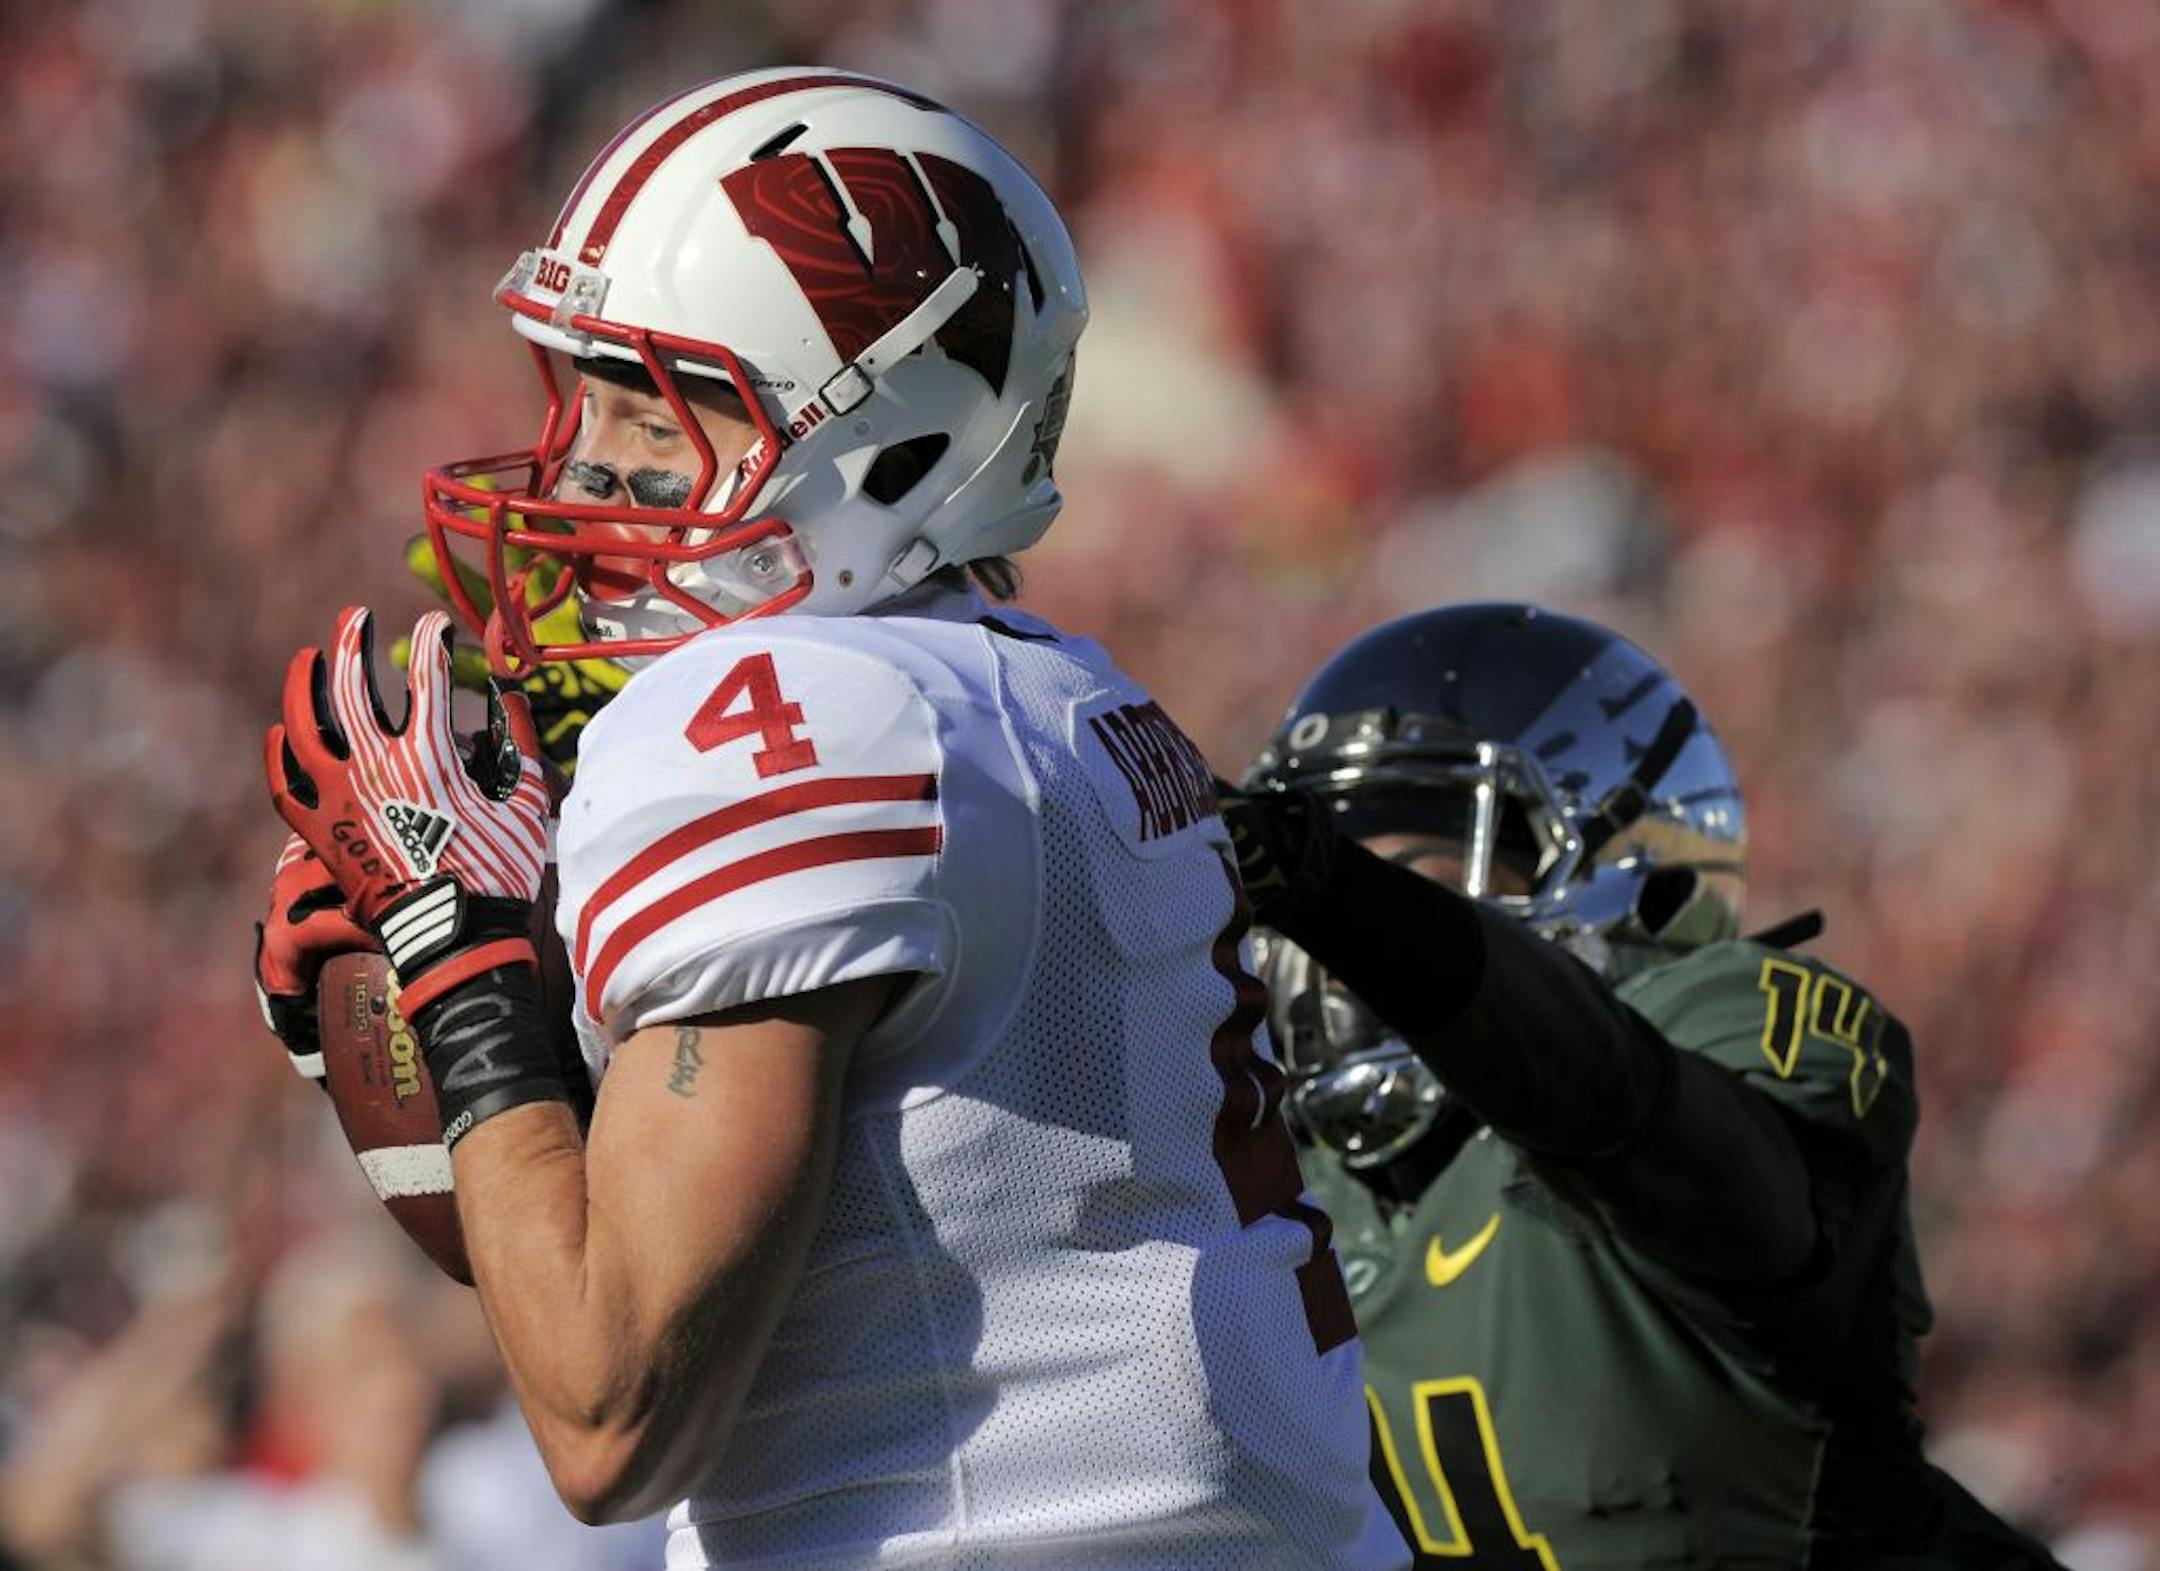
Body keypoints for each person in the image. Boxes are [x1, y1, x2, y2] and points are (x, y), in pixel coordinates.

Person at [257, 67, 1404, 1570]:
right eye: (583, 393)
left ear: (894, 438)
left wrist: (455, 957)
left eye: (660, 409)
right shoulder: (1059, 696)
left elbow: (614, 1409)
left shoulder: (786, 717)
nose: (589, 462)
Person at [1221, 602, 2066, 1569]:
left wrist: (1342, 891)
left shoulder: (1723, 1020)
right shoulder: (1290, 1181)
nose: (1320, 957)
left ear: (1623, 877)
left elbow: (1653, 1134)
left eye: (1407, 870)